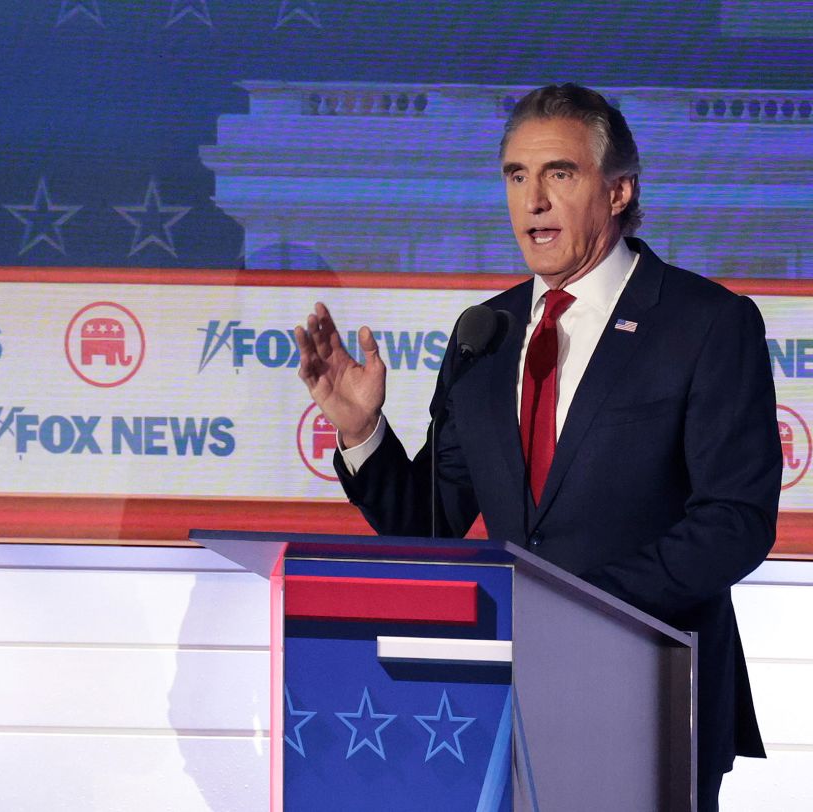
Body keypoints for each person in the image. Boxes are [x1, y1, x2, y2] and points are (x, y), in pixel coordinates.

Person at [295, 83, 780, 810]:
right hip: (499, 706)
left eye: (560, 173)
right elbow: (430, 523)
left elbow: (735, 522)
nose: (533, 200)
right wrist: (363, 430)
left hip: (651, 690)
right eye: (516, 176)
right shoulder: (483, 334)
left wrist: (582, 607)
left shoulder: (705, 323)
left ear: (618, 191)